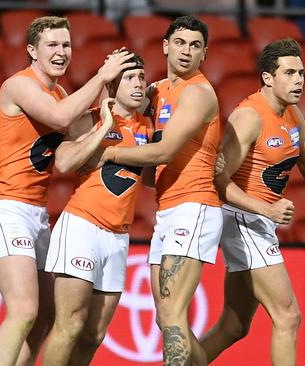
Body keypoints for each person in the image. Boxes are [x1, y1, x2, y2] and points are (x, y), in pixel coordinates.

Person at [0, 15, 135, 366]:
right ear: (32, 50)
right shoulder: (18, 85)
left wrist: (111, 115)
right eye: (52, 45)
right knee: (24, 310)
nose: (61, 51)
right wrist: (101, 77)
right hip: (6, 206)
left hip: (37, 211)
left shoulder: (61, 92)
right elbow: (61, 118)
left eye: (66, 45)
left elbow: (70, 156)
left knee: (46, 317)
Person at [199, 38, 305, 365]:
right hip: (242, 218)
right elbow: (218, 180)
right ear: (268, 78)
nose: (299, 80)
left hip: (258, 220)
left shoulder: (293, 114)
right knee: (288, 316)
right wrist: (266, 209)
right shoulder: (249, 117)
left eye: (301, 73)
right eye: (289, 73)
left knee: (234, 326)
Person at [93, 15, 222, 366]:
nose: (186, 51)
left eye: (195, 45)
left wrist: (110, 152)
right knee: (165, 319)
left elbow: (164, 152)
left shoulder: (198, 93)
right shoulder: (156, 92)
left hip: (194, 206)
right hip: (168, 209)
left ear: (204, 54)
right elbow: (152, 173)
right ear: (165, 46)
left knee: (174, 314)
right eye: (180, 42)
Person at [41, 55, 153, 366]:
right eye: (130, 78)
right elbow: (63, 162)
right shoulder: (89, 119)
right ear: (112, 84)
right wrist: (104, 127)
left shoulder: (148, 126)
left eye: (142, 77)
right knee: (70, 324)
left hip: (118, 238)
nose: (139, 83)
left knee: (94, 335)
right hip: (82, 227)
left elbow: (152, 181)